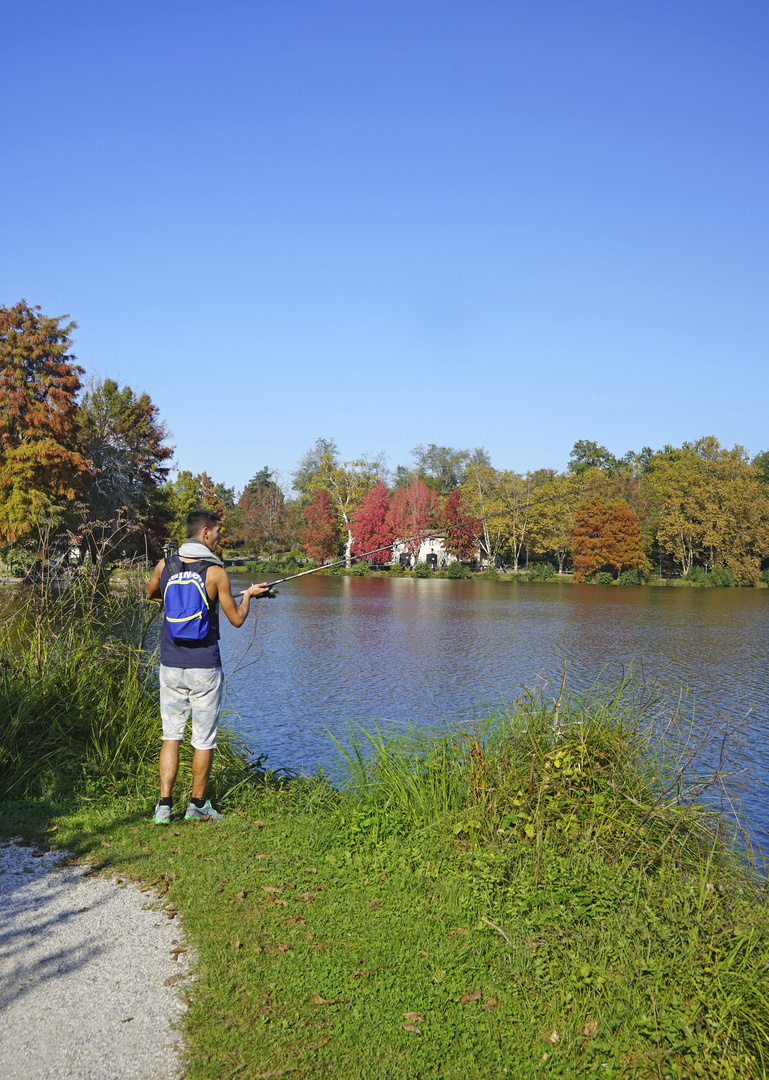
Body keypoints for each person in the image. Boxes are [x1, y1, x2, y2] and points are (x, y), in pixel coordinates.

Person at [146, 508, 271, 823]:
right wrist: (249, 596)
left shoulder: (166, 565)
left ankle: (163, 807)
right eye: (217, 532)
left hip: (170, 664)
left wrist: (177, 602)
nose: (219, 537)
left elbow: (152, 595)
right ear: (204, 533)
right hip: (204, 666)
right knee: (203, 738)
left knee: (170, 735)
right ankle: (198, 805)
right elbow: (237, 620)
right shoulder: (215, 572)